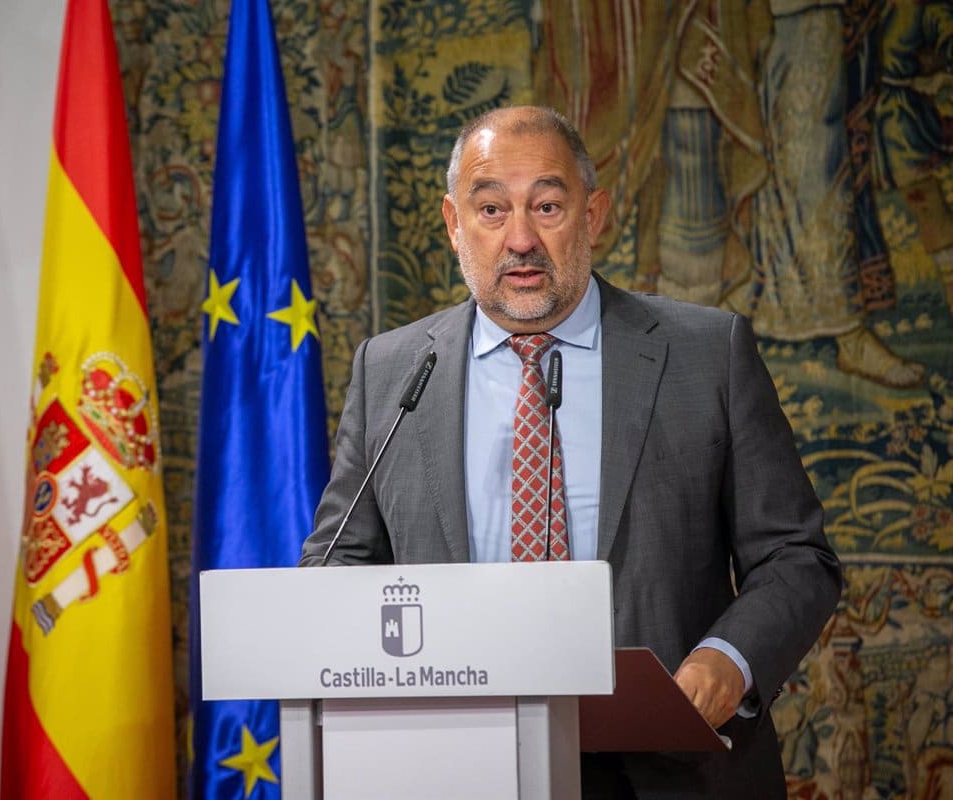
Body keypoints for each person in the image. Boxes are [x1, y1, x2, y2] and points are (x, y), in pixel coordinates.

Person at [299, 105, 842, 798]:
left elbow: (797, 557)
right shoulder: (393, 368)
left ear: (594, 214)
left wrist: (726, 661)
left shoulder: (707, 354)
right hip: (451, 766)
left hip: (667, 771)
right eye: (491, 209)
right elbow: (340, 559)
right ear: (452, 223)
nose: (520, 239)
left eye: (547, 206)